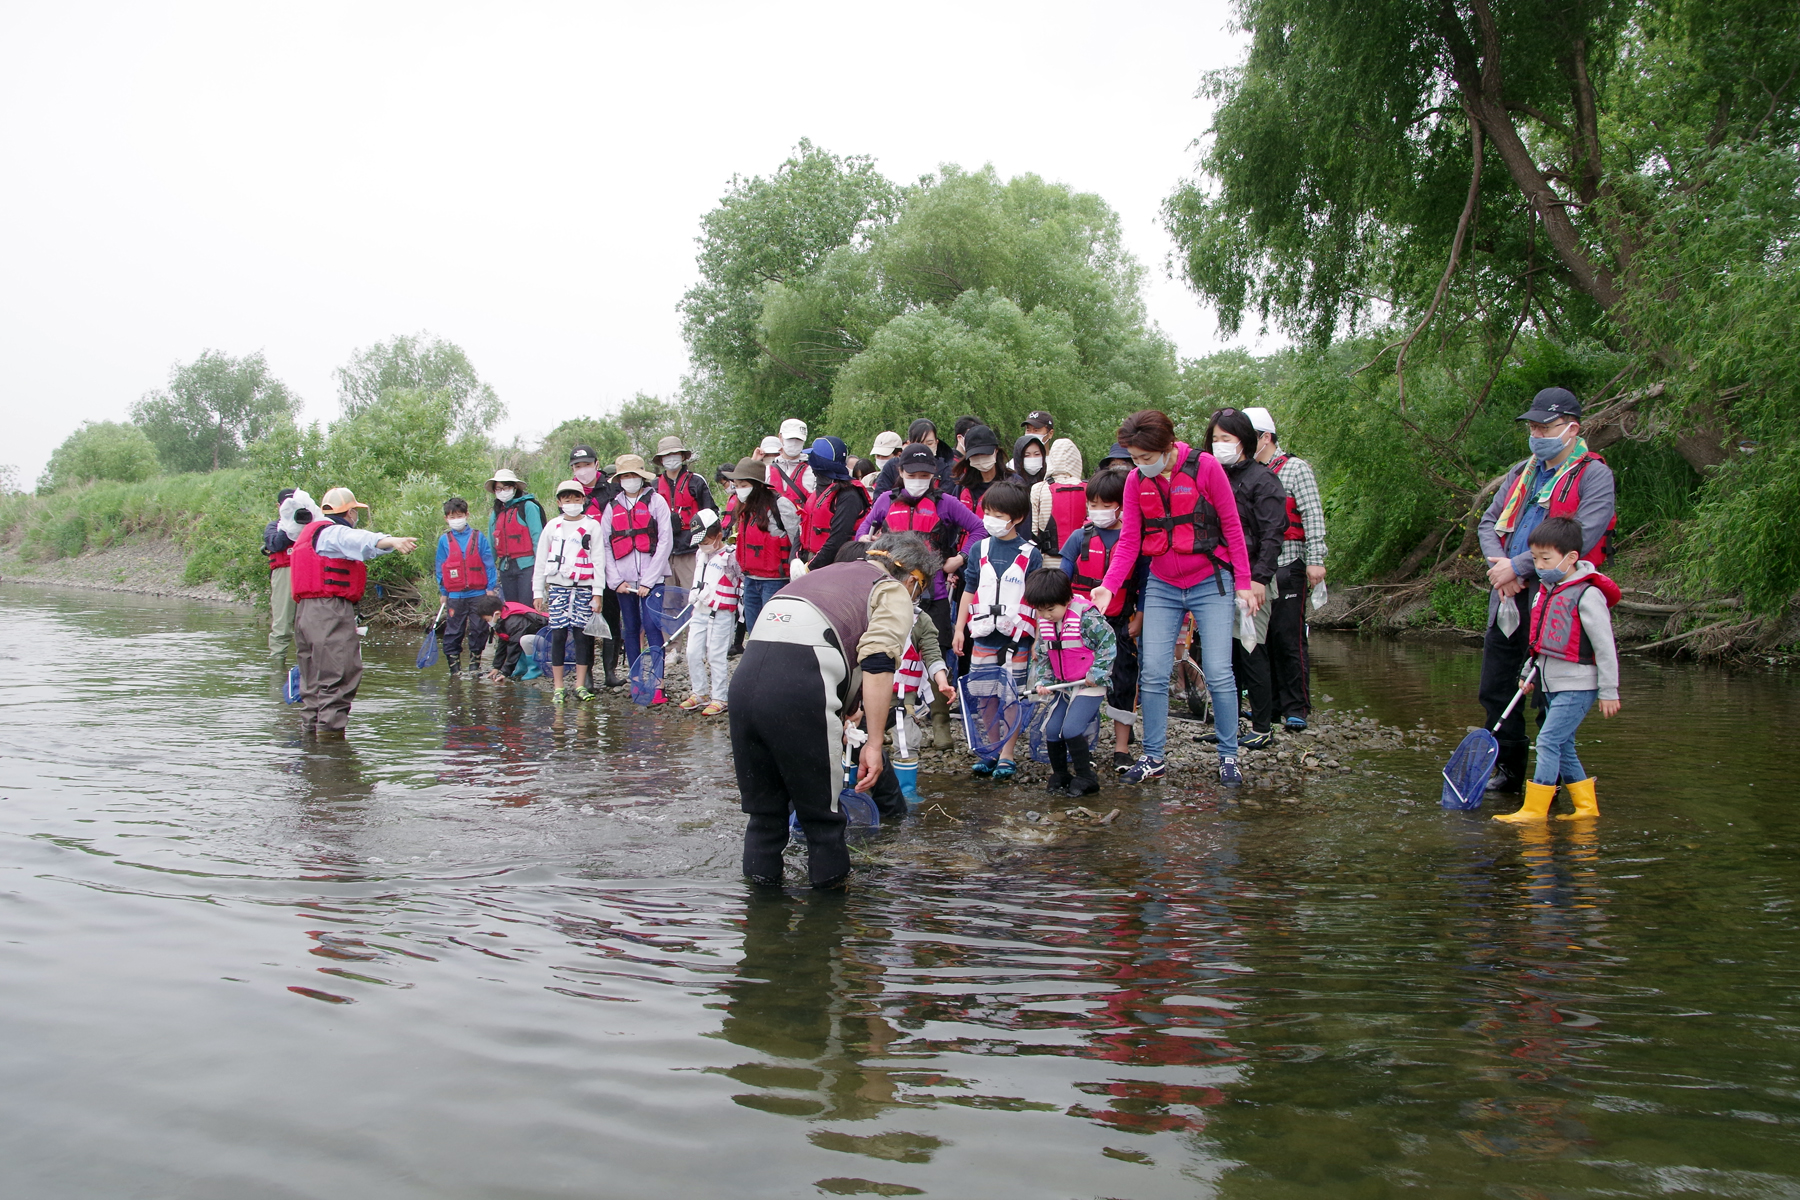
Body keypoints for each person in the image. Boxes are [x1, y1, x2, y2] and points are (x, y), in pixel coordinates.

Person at [728, 531, 940, 889]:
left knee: (764, 819)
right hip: (802, 689)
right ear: (913, 579)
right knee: (823, 824)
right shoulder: (891, 589)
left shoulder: (822, 574)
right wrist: (873, 743)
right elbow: (877, 662)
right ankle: (829, 930)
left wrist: (844, 712)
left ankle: (762, 927)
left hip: (744, 686)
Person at [1088, 410, 1256, 787]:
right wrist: (1109, 585)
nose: (1140, 466)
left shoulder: (1206, 467)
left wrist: (1243, 582)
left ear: (1166, 448)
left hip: (1210, 580)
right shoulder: (1134, 481)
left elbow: (1231, 525)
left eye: (1147, 459)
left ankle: (1229, 757)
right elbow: (1130, 539)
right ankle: (1153, 757)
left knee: (1217, 671)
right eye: (1135, 459)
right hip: (1162, 583)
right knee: (1153, 671)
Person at [1477, 387, 1618, 795]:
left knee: (1550, 690)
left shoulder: (1594, 475)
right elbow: (1489, 523)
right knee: (1497, 686)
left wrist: (1517, 566)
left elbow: (1582, 534)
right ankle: (1507, 769)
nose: (1537, 433)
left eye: (1545, 426)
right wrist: (1501, 569)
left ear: (1572, 429)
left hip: (1559, 600)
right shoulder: (1521, 471)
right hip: (1508, 593)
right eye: (1533, 427)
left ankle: (1551, 778)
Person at [856, 443, 987, 746]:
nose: (918, 479)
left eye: (924, 475)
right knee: (889, 654)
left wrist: (961, 558)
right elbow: (862, 532)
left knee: (935, 654)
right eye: (912, 473)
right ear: (900, 472)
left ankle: (940, 724)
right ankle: (889, 721)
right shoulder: (886, 501)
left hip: (935, 593)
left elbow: (979, 529)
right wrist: (868, 541)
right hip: (891, 592)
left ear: (933, 476)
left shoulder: (946, 503)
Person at [1494, 516, 1621, 823]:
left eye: (1545, 558)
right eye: (1535, 558)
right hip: (1553, 683)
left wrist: (1609, 691)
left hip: (1579, 685)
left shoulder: (1587, 595)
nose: (1538, 565)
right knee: (1564, 746)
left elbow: (1605, 647)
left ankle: (1535, 810)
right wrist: (1527, 674)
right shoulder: (1545, 591)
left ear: (1571, 557)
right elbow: (1540, 644)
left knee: (1549, 741)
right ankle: (1586, 810)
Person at [283, 487, 419, 736]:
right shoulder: (333, 532)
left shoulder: (308, 533)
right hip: (328, 610)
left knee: (312, 680)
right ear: (350, 512)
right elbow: (358, 541)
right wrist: (391, 541)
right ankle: (330, 746)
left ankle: (312, 742)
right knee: (339, 674)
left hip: (305, 613)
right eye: (355, 511)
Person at [1203, 408, 1289, 750]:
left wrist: (1259, 579)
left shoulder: (1263, 479)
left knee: (1252, 649)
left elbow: (1273, 534)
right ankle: (1230, 723)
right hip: (1217, 579)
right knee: (1225, 656)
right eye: (1216, 440)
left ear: (1245, 441)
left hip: (1253, 578)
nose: (1220, 445)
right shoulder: (1213, 476)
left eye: (1227, 439)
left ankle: (1262, 724)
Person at [1244, 406, 1327, 731]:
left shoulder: (1296, 469)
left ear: (1266, 437)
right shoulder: (1249, 473)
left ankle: (1296, 706)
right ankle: (1270, 704)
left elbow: (1313, 514)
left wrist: (1316, 559)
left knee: (1287, 636)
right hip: (1258, 570)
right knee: (1260, 639)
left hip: (1290, 562)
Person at [952, 481, 1043, 781]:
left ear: (1016, 518)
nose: (990, 518)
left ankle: (1007, 754)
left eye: (998, 513)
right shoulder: (979, 548)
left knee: (1012, 697)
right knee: (985, 697)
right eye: (987, 512)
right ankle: (991, 749)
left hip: (1016, 639)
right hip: (983, 636)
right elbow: (969, 589)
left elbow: (1036, 601)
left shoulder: (1031, 554)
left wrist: (1035, 642)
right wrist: (959, 629)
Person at [1060, 468, 1145, 771]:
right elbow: (1062, 581)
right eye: (1092, 504)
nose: (1096, 511)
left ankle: (1122, 748)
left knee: (1123, 683)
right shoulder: (1077, 538)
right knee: (1081, 684)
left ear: (1121, 505)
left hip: (1120, 623)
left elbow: (1143, 585)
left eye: (1104, 504)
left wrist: (1141, 617)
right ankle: (1083, 743)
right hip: (1082, 627)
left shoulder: (1134, 540)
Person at [1023, 567, 1117, 797]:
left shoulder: (1087, 617)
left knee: (1072, 729)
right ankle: (1061, 774)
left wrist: (1097, 673)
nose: (1046, 616)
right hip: (1064, 686)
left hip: (1089, 684)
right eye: (1040, 610)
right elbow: (1044, 657)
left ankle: (1086, 777)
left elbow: (1109, 645)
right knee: (1053, 730)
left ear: (1066, 600)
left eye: (1051, 610)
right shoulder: (1046, 624)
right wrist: (1044, 681)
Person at [597, 454, 673, 699]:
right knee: (630, 629)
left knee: (652, 627)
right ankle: (637, 680)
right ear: (619, 480)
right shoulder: (612, 507)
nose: (630, 480)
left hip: (653, 580)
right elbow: (606, 546)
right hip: (624, 582)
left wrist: (649, 581)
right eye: (625, 476)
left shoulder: (657, 502)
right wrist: (615, 580)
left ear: (642, 477)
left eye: (633, 476)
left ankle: (658, 683)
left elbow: (664, 542)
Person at [533, 479, 605, 704]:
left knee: (582, 637)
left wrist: (598, 592)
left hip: (583, 589)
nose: (572, 503)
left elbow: (598, 561)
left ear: (583, 500)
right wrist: (538, 591)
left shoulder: (593, 526)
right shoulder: (552, 526)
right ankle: (558, 686)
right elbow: (541, 560)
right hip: (557, 589)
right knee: (558, 635)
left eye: (576, 498)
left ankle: (580, 685)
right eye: (567, 499)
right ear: (559, 502)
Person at [570, 444, 627, 689]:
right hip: (582, 568)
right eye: (577, 466)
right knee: (584, 622)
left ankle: (610, 672)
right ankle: (588, 676)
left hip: (611, 564)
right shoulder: (570, 493)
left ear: (596, 464)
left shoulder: (613, 490)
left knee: (612, 619)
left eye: (586, 465)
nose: (582, 470)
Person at [727, 456, 804, 635]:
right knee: (754, 631)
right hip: (751, 579)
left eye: (743, 484)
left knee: (775, 632)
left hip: (775, 581)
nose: (739, 489)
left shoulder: (780, 505)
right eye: (737, 485)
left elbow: (796, 540)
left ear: (758, 484)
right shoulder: (745, 508)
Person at [680, 511, 736, 716]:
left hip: (720, 612)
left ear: (719, 535)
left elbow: (741, 582)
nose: (702, 545)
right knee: (692, 652)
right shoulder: (700, 554)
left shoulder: (730, 556)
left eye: (705, 540)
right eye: (699, 541)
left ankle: (720, 697)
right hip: (699, 609)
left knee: (716, 655)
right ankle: (700, 692)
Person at [435, 497, 500, 677]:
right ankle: (454, 669)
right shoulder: (444, 540)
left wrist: (490, 588)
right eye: (452, 516)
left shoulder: (478, 537)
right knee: (453, 630)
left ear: (466, 515)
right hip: (455, 595)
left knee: (479, 628)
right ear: (446, 518)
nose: (456, 519)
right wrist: (443, 592)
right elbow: (440, 566)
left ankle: (474, 665)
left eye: (459, 515)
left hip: (478, 592)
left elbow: (488, 563)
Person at [799, 436, 871, 570]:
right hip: (812, 563)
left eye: (812, 457)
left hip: (836, 567)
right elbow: (803, 527)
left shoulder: (848, 495)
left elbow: (838, 539)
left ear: (819, 463)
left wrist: (809, 568)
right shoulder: (819, 492)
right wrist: (797, 559)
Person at [653, 435, 714, 589]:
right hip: (664, 553)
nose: (671, 459)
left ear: (682, 456)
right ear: (661, 460)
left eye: (674, 454)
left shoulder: (696, 481)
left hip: (690, 550)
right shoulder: (653, 486)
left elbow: (711, 514)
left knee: (691, 597)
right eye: (666, 455)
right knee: (668, 602)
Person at [485, 469, 544, 605]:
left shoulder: (528, 507)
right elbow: (492, 544)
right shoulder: (496, 513)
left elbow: (538, 538)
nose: (502, 491)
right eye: (498, 488)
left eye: (506, 487)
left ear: (514, 487)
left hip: (527, 566)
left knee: (527, 608)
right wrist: (487, 574)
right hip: (506, 568)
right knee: (512, 609)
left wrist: (540, 572)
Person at [469, 593, 548, 682]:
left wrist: (505, 672)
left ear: (496, 613)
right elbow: (503, 642)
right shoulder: (503, 617)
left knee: (523, 640)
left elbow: (514, 646)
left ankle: (535, 670)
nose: (488, 623)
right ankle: (521, 669)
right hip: (534, 638)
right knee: (520, 641)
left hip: (548, 640)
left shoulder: (514, 622)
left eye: (487, 620)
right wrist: (497, 667)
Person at [871, 418, 956, 496]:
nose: (925, 447)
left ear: (936, 443)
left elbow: (947, 502)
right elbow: (879, 500)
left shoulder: (946, 468)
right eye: (919, 443)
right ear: (909, 443)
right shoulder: (892, 466)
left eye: (929, 443)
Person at [1032, 438, 1087, 555]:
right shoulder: (1088, 488)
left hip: (1048, 560)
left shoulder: (1039, 488)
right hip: (1080, 559)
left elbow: (1033, 530)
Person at [263, 487, 298, 659]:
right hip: (284, 574)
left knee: (309, 627)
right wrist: (290, 526)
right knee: (282, 626)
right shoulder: (274, 527)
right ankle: (277, 667)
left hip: (308, 575)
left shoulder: (311, 523)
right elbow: (275, 544)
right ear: (279, 506)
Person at [954, 423, 1005, 516]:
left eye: (985, 454)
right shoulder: (962, 485)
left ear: (996, 451)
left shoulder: (1012, 483)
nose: (981, 458)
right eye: (975, 455)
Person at [766, 418, 815, 508]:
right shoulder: (767, 471)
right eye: (790, 439)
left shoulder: (813, 471)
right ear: (780, 437)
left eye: (798, 439)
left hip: (801, 521)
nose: (794, 443)